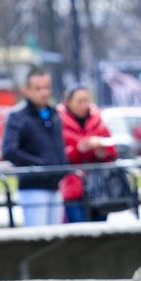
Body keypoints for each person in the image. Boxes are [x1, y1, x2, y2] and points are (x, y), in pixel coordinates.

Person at [1, 66, 68, 227]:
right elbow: (9, 150)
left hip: (55, 185)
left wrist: (63, 165)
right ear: (26, 90)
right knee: (38, 238)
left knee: (57, 239)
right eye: (38, 88)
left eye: (47, 88)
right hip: (33, 188)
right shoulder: (18, 116)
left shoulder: (53, 113)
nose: (44, 93)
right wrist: (39, 164)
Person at [57, 87, 118, 223]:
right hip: (72, 188)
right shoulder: (58, 122)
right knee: (80, 233)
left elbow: (112, 151)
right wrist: (78, 149)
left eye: (87, 101)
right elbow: (57, 155)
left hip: (99, 188)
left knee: (100, 232)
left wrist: (102, 152)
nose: (84, 105)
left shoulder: (98, 121)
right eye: (80, 101)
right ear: (68, 102)